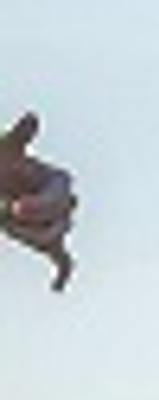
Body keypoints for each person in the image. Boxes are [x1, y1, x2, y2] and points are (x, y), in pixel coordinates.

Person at [1, 113, 72, 289]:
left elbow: (31, 123)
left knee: (24, 209)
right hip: (40, 210)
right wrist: (62, 269)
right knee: (14, 218)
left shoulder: (6, 148)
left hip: (52, 185)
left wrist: (23, 128)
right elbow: (51, 247)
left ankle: (31, 208)